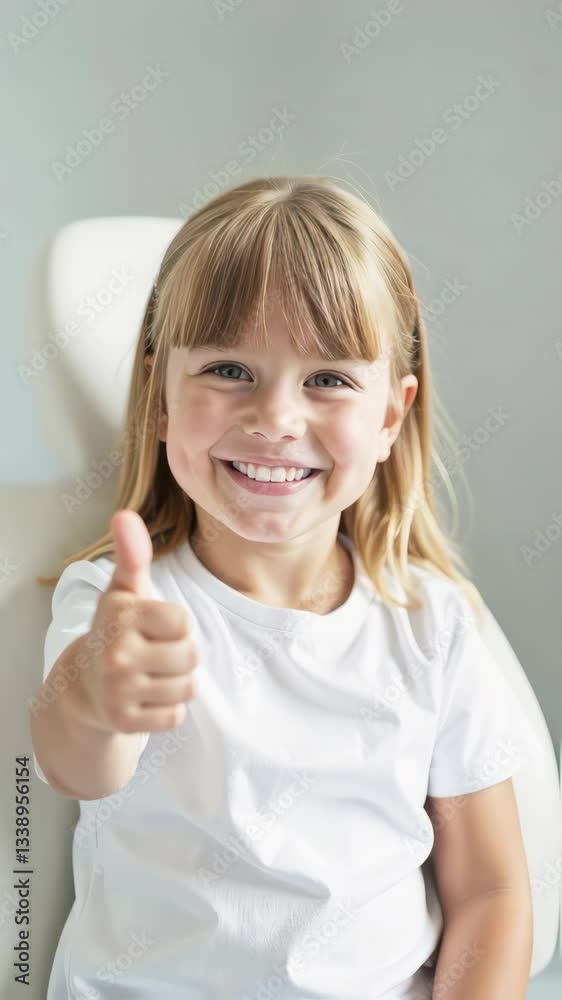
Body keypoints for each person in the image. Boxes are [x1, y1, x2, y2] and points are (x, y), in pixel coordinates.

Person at [31, 176, 532, 1000]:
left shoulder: (431, 625)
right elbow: (76, 759)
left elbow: (492, 892)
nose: (274, 417)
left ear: (389, 418)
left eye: (328, 379)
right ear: (160, 397)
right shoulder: (122, 605)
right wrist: (99, 689)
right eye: (230, 368)